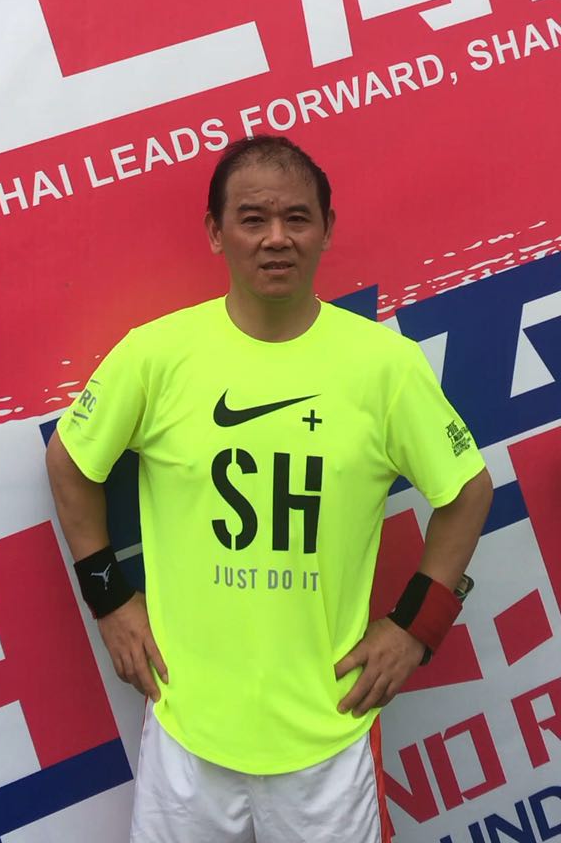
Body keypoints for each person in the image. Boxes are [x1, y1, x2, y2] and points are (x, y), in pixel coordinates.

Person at [46, 135, 493, 842]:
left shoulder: (384, 366)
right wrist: (109, 598)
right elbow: (71, 464)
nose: (276, 238)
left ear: (326, 229)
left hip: (329, 733)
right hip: (187, 730)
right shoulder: (156, 355)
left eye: (297, 218)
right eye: (252, 219)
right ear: (215, 232)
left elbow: (467, 491)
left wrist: (417, 627)